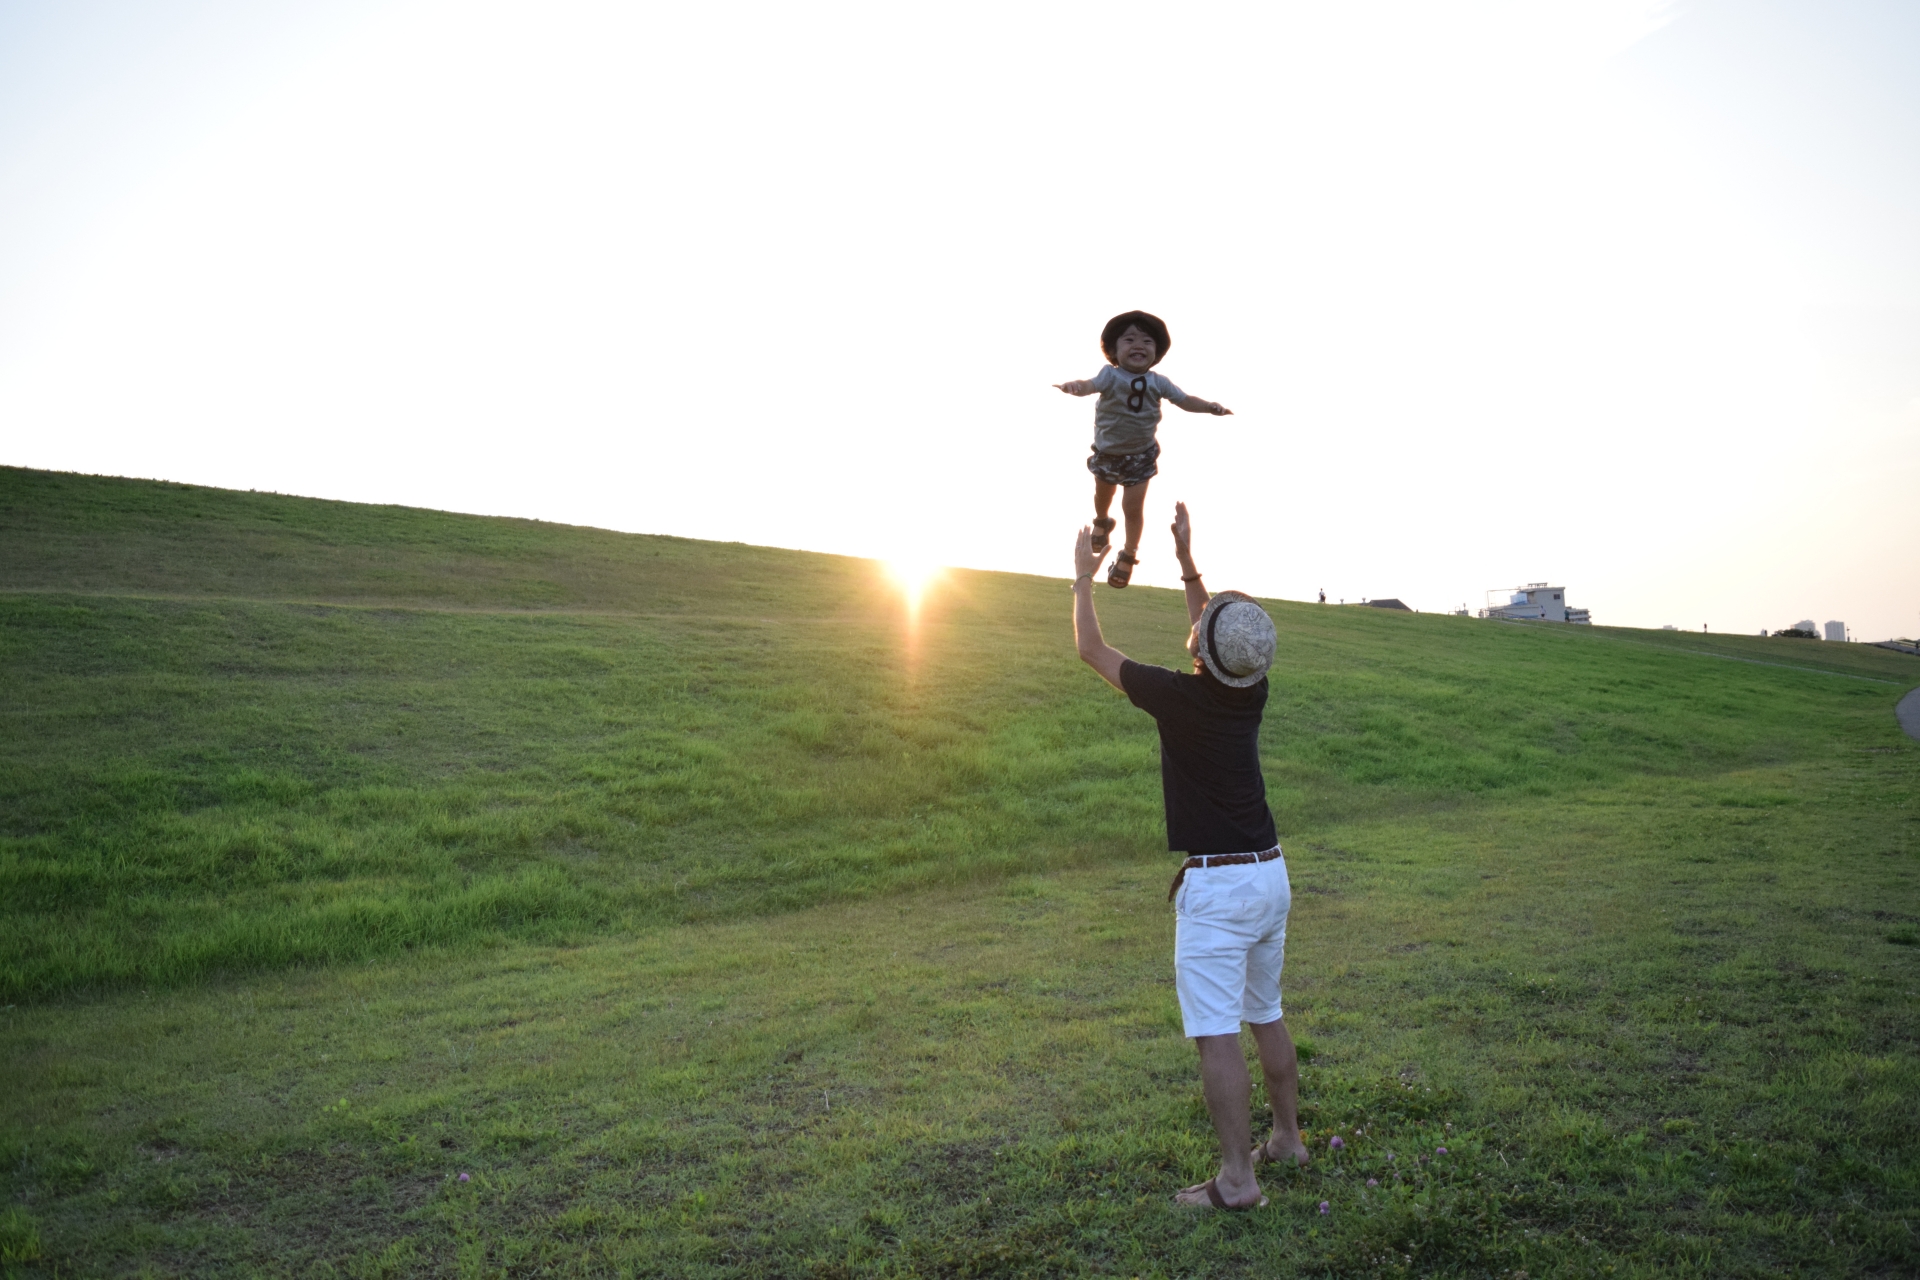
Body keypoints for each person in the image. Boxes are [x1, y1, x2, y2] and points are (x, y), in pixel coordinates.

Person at [1070, 501, 1309, 1210]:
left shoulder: (1178, 697)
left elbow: (1090, 650)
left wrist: (1082, 582)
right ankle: (1288, 1139)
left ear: (1200, 654)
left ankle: (1238, 1181)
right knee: (1264, 1011)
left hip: (1221, 890)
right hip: (1270, 874)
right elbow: (1217, 640)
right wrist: (1186, 563)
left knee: (1216, 1036)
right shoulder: (1249, 690)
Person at [1054, 311, 1231, 588]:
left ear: (1157, 352)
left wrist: (1209, 406)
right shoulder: (1109, 376)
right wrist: (1076, 387)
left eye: (1147, 341)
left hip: (1141, 455)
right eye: (1129, 339)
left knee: (1132, 507)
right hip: (1108, 454)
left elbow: (1184, 400)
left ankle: (1129, 554)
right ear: (1113, 350)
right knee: (1104, 494)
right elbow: (1090, 385)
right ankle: (1102, 520)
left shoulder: (1158, 382)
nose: (1139, 345)